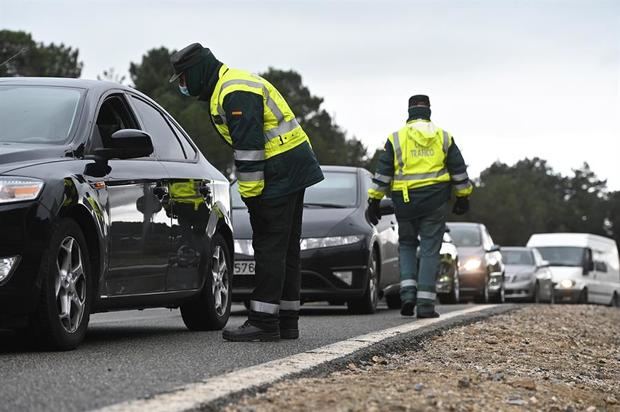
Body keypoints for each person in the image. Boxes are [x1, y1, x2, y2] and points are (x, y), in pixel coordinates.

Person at [170, 43, 323, 341]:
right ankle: (286, 321)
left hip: (279, 169)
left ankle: (264, 322)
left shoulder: (233, 91)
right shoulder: (232, 84)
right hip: (293, 165)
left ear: (199, 71)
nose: (184, 87)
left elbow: (250, 150)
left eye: (184, 79)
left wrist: (251, 197)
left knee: (269, 245)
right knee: (286, 248)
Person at [366, 95, 472, 318]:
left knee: (406, 245)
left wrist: (374, 200)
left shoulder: (396, 138)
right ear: (429, 111)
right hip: (435, 201)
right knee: (430, 250)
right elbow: (459, 170)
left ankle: (407, 294)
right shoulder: (444, 137)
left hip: (404, 202)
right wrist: (463, 196)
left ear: (409, 111)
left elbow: (383, 172)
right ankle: (425, 305)